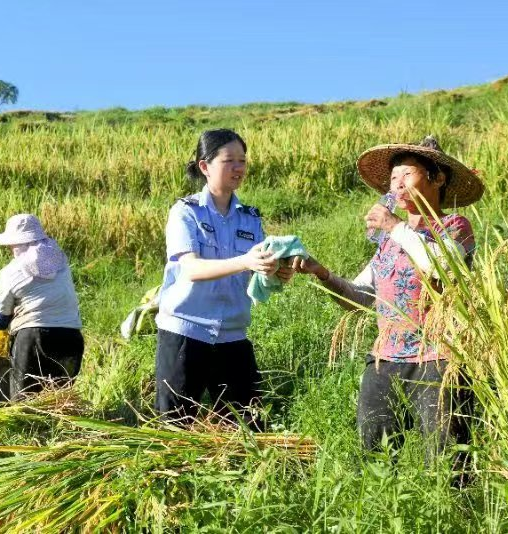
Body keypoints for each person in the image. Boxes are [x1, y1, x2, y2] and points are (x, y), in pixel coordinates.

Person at [291, 136, 483, 465]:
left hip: (438, 359)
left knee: (447, 460)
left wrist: (394, 225)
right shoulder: (389, 241)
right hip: (385, 359)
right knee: (375, 455)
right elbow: (361, 297)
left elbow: (444, 266)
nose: (398, 183)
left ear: (437, 178)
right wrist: (322, 273)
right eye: (394, 177)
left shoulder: (454, 227)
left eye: (407, 174)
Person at [155, 128, 293, 425]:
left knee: (248, 425)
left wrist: (275, 271)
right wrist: (245, 261)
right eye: (229, 161)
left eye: (242, 160)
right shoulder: (186, 212)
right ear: (205, 166)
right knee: (175, 427)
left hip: (232, 333)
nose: (238, 168)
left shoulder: (250, 218)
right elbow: (191, 269)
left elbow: (257, 275)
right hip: (186, 331)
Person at [0, 214, 84, 400]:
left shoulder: (11, 271)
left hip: (34, 339)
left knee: (25, 403)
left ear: (17, 244)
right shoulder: (61, 263)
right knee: (59, 403)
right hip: (71, 338)